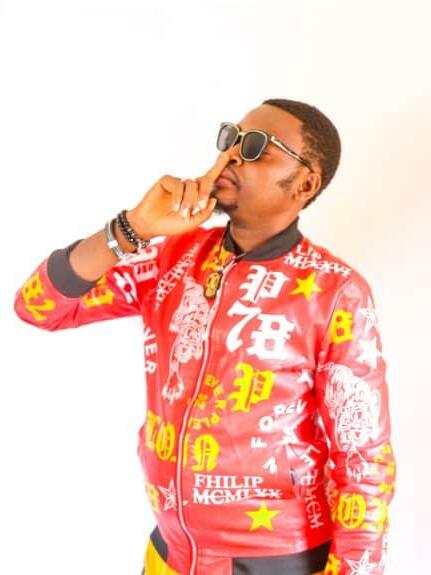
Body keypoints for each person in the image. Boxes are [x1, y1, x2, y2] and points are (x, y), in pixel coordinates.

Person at [14, 98, 396, 575]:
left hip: (276, 561)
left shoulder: (335, 291)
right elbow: (39, 306)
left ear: (305, 183)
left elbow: (363, 457)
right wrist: (134, 228)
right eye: (231, 138)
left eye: (256, 147)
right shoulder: (171, 259)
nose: (231, 154)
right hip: (170, 551)